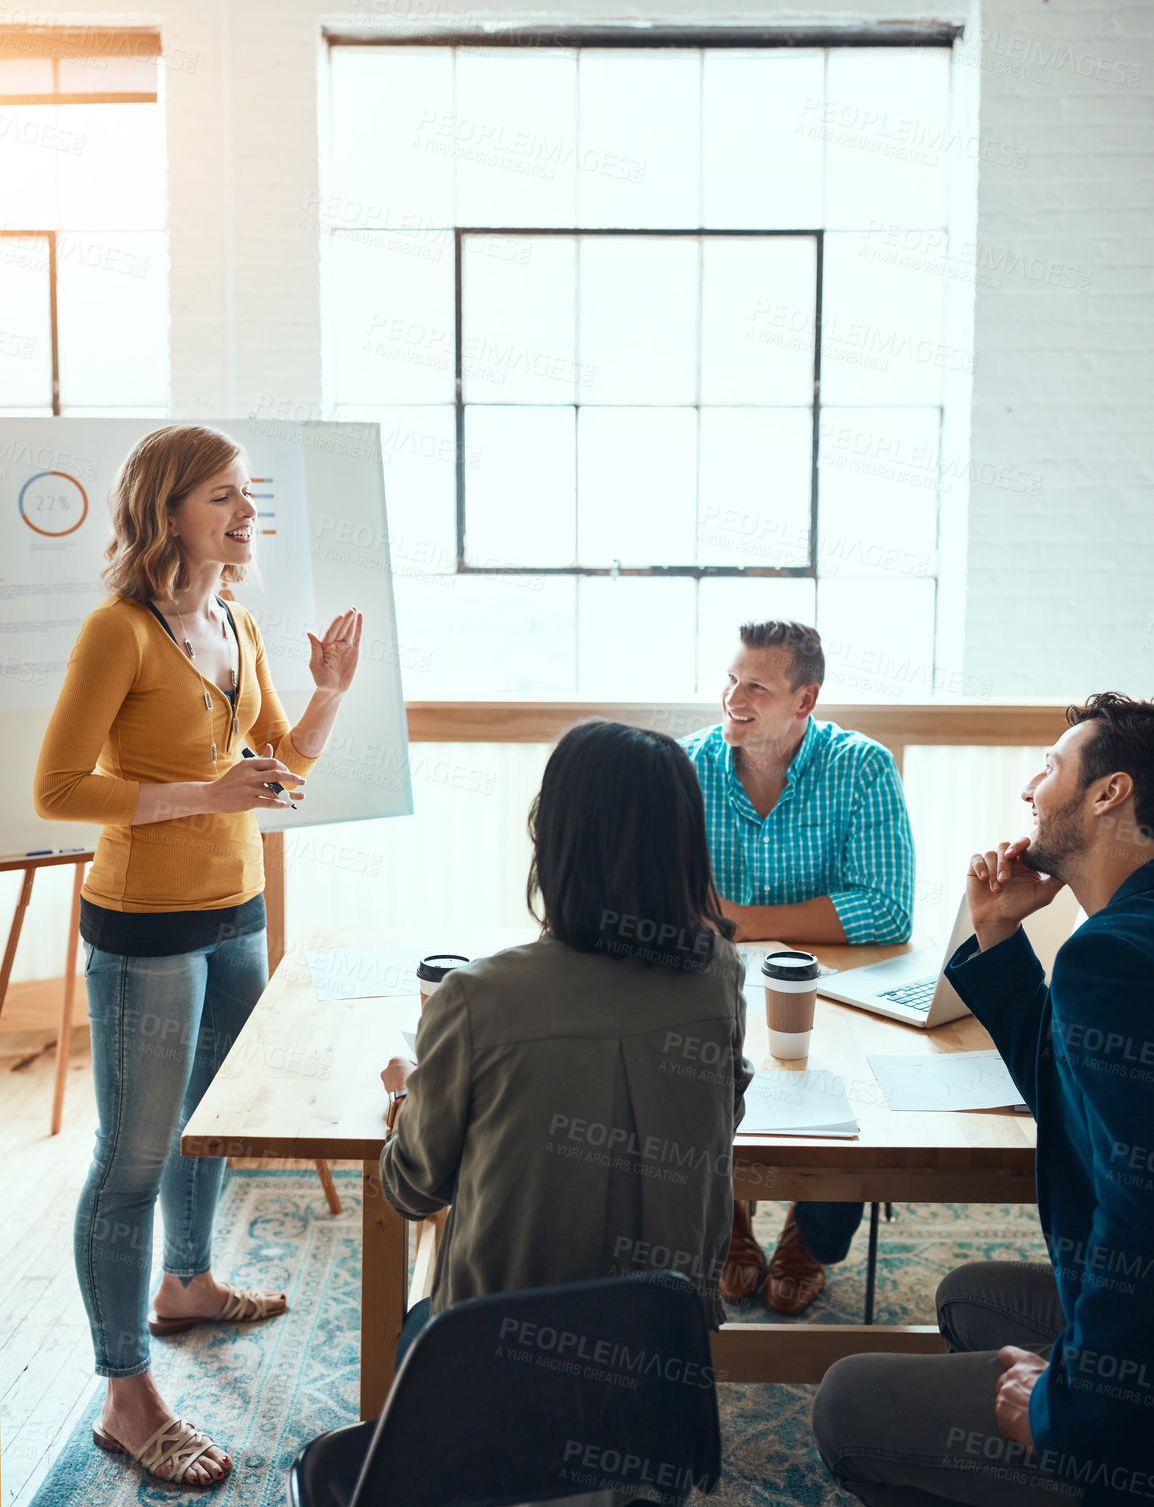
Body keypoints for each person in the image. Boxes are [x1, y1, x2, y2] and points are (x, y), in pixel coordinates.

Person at [33, 424, 362, 1490]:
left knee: (208, 1121)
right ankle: (126, 1396)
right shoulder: (117, 633)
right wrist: (203, 794)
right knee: (131, 1157)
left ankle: (187, 1284)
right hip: (145, 922)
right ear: (168, 507)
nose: (244, 511)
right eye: (221, 495)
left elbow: (277, 762)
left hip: (236, 905)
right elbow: (57, 790)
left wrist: (327, 691)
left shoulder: (233, 616)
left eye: (245, 495)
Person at [813, 692, 1154, 1507]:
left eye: (1050, 768)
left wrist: (1060, 1409)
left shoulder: (1111, 957)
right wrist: (999, 935)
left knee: (844, 1403)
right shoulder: (1124, 942)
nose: (1029, 789)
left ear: (1109, 794)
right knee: (966, 1297)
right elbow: (1079, 1100)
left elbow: (1140, 1219)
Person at [378, 719, 755, 1361]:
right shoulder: (717, 975)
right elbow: (721, 1115)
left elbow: (411, 1188)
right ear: (685, 846)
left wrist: (409, 1101)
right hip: (663, 1355)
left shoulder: (475, 998)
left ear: (553, 841)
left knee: (418, 1321)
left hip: (501, 1363)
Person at [682, 620, 914, 1315]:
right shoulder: (683, 765)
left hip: (831, 986)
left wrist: (741, 919)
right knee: (683, 1066)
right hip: (706, 979)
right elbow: (661, 893)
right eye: (729, 679)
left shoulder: (862, 766)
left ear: (805, 699)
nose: (733, 697)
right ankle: (725, 1221)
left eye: (755, 685)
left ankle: (810, 1234)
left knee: (851, 1083)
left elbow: (886, 909)